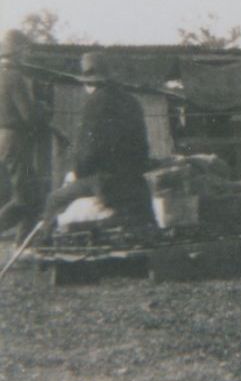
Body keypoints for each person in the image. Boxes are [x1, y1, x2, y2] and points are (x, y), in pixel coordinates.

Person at [39, 51, 153, 236]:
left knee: (54, 199)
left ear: (87, 83)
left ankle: (43, 245)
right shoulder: (132, 101)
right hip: (136, 181)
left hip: (106, 182)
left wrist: (76, 173)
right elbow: (143, 148)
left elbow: (87, 151)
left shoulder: (95, 103)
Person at [0, 29, 47, 242]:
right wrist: (42, 108)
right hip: (15, 140)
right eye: (25, 50)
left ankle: (24, 244)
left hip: (5, 139)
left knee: (30, 195)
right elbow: (28, 115)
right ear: (17, 51)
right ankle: (23, 243)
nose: (27, 55)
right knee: (25, 197)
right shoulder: (14, 77)